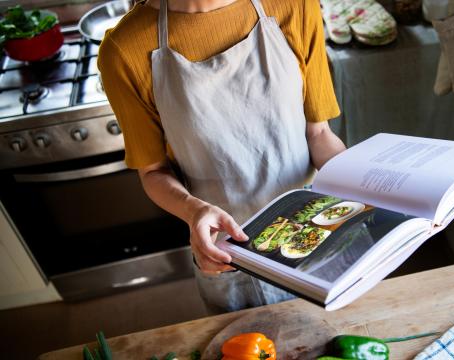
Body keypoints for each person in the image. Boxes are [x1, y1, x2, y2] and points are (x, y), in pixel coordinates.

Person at [98, 0, 346, 312]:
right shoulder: (125, 49)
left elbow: (318, 135)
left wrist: (376, 187)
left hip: (318, 229)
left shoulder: (294, 5)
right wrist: (193, 211)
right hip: (231, 253)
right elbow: (153, 172)